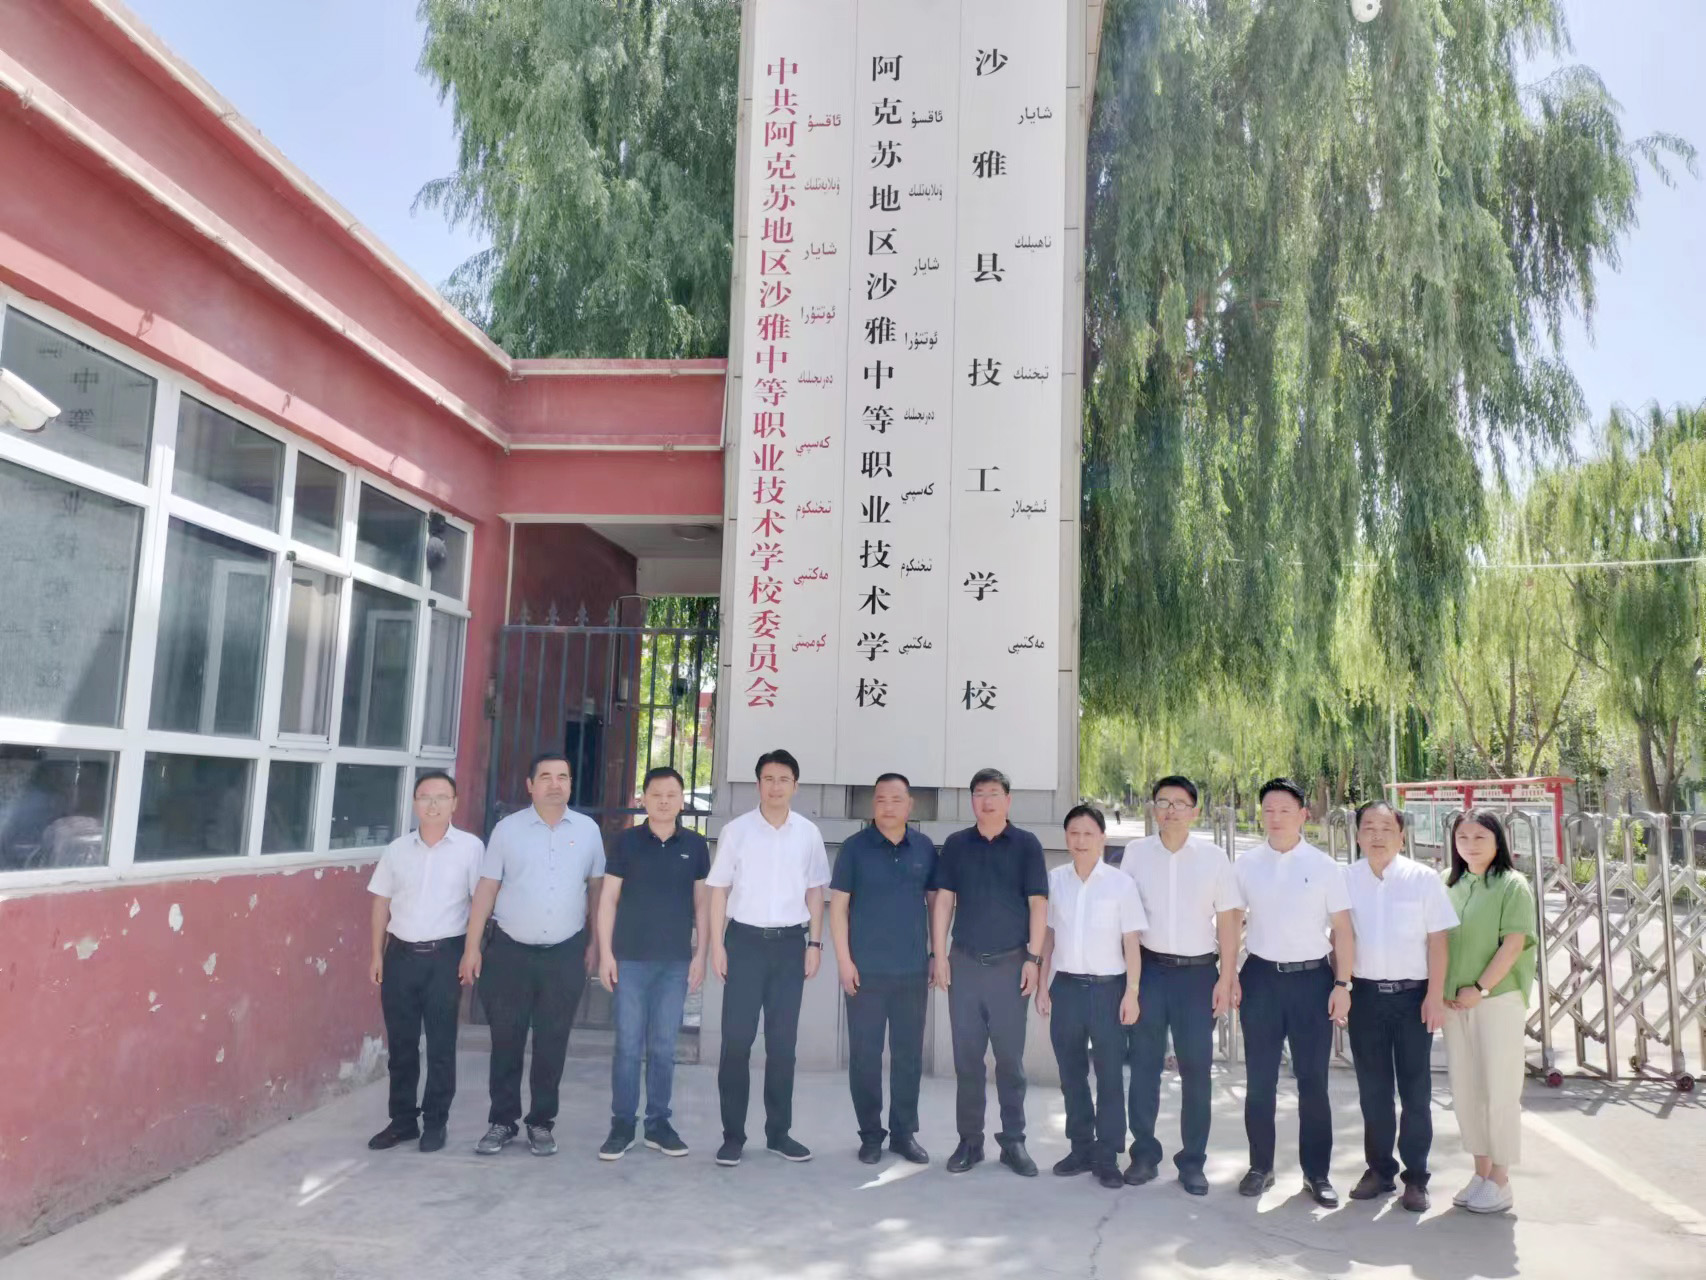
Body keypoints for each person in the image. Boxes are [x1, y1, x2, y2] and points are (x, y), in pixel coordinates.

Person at [460, 753, 605, 1157]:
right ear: (530, 785)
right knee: (506, 1039)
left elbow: (596, 890)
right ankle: (502, 1121)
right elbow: (487, 888)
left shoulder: (588, 831)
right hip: (509, 952)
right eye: (546, 777)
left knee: (552, 1042)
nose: (555, 784)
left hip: (565, 952)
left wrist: (596, 943)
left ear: (571, 784)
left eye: (563, 777)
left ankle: (541, 1122)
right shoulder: (507, 830)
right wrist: (471, 947)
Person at [1117, 775, 1243, 1194]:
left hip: (1197, 976)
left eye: (1179, 803)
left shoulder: (1214, 858)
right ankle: (1144, 1155)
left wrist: (1227, 976)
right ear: (1153, 808)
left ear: (1195, 811)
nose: (1170, 810)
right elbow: (1126, 919)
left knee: (1196, 1070)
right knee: (1144, 1066)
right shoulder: (1136, 854)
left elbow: (1228, 921)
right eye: (1163, 802)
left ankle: (1192, 1162)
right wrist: (1130, 983)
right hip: (1150, 972)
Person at [1235, 778, 1355, 1207]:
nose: (1276, 817)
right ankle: (1260, 1167)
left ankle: (1316, 1173)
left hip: (1312, 982)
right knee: (1259, 1081)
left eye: (1285, 809)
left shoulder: (1325, 867)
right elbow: (1231, 921)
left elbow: (1343, 930)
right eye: (1268, 809)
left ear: (1304, 815)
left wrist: (1343, 984)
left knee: (1313, 1082)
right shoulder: (1246, 864)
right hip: (1261, 978)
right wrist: (1228, 974)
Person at [708, 749, 830, 1167]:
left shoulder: (808, 834)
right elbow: (718, 890)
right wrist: (717, 945)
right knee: (736, 1042)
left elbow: (815, 892)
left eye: (783, 779)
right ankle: (733, 1136)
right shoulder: (737, 831)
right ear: (758, 784)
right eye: (768, 779)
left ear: (795, 785)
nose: (775, 786)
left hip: (790, 946)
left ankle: (779, 1133)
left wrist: (815, 945)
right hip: (744, 944)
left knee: (782, 1045)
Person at [930, 767, 1049, 1177]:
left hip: (1011, 966)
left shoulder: (1027, 845)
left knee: (1010, 1061)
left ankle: (1013, 1142)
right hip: (964, 963)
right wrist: (939, 954)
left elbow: (1038, 905)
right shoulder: (957, 845)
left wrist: (1034, 959)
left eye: (994, 793)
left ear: (1008, 800)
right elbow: (944, 901)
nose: (987, 800)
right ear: (972, 801)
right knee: (967, 1060)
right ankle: (970, 1141)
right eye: (979, 793)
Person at [1344, 800, 1458, 1212]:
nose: (1377, 836)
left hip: (1413, 998)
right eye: (1369, 828)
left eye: (1386, 829)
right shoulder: (1346, 879)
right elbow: (1339, 938)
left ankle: (1417, 1177)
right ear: (1358, 835)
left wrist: (1434, 996)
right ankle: (1379, 1170)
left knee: (1415, 1091)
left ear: (1402, 836)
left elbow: (1438, 942)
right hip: (1365, 997)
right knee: (1373, 1092)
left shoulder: (1423, 879)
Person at [594, 766, 711, 1160]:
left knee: (663, 1047)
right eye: (656, 794)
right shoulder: (626, 842)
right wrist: (606, 953)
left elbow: (701, 903)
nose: (664, 801)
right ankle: (622, 1124)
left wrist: (701, 954)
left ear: (682, 800)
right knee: (628, 1046)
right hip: (629, 960)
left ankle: (658, 1124)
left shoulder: (695, 845)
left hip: (674, 963)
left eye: (671, 794)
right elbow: (608, 899)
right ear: (643, 798)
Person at [365, 771, 484, 1153]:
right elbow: (381, 902)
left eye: (441, 797)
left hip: (444, 957)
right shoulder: (397, 850)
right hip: (399, 956)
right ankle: (402, 1121)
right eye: (425, 797)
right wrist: (376, 954)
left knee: (440, 1046)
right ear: (415, 803)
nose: (433, 804)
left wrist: (471, 951)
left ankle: (435, 1122)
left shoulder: (470, 848)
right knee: (401, 1046)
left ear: (454, 803)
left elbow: (479, 903)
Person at [828, 772, 937, 1165]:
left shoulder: (924, 848)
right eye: (881, 800)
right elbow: (838, 908)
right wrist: (844, 961)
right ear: (873, 804)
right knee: (865, 1057)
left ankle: (904, 1134)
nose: (888, 807)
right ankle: (871, 1135)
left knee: (908, 1057)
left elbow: (936, 904)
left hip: (912, 972)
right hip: (865, 973)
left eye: (896, 799)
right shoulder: (854, 848)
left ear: (910, 805)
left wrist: (935, 954)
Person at [1036, 805, 1146, 1189]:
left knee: (1110, 1075)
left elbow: (1131, 943)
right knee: (1071, 1074)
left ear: (1102, 838)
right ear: (1066, 838)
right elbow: (1049, 937)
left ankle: (1108, 1154)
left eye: (1088, 834)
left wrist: (1132, 993)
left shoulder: (1120, 884)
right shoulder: (1055, 881)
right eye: (1074, 834)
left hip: (1108, 990)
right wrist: (1042, 985)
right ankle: (1080, 1147)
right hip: (1066, 988)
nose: (1080, 841)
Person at [1441, 810, 1537, 1216]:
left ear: (1498, 840)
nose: (1470, 845)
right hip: (1453, 1004)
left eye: (1480, 836)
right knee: (1466, 1090)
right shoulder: (1449, 884)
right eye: (1462, 837)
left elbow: (1513, 944)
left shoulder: (1513, 885)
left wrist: (1480, 988)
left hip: (1496, 1000)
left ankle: (1500, 1178)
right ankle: (1480, 1173)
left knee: (1499, 1089)